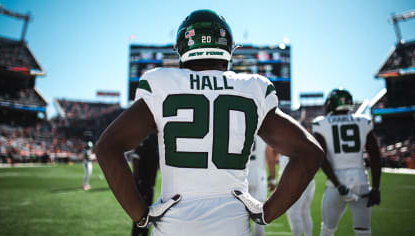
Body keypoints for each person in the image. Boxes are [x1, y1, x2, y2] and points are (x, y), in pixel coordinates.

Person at [95, 9, 324, 236]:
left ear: (182, 48)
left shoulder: (161, 83)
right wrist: (268, 212)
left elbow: (107, 147)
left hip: (175, 226)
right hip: (231, 226)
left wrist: (141, 215)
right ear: (228, 47)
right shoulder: (252, 88)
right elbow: (310, 153)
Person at [312, 88, 381, 236]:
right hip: (360, 181)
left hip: (335, 184)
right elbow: (375, 155)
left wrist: (338, 184)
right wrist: (376, 187)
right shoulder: (363, 121)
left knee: (327, 229)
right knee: (363, 230)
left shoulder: (322, 123)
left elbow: (320, 157)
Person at [266, 146, 315, 236]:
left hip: (294, 180)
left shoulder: (289, 135)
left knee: (294, 214)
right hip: (308, 178)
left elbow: (272, 150)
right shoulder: (304, 136)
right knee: (305, 213)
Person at [127, 133, 159, 236]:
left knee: (143, 214)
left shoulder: (148, 142)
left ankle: (140, 233)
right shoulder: (150, 143)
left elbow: (137, 160)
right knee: (143, 215)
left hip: (146, 183)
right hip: (146, 184)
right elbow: (136, 158)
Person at [247, 136, 268, 236]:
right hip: (258, 173)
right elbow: (270, 154)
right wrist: (272, 178)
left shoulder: (241, 129)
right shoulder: (262, 134)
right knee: (259, 213)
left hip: (242, 174)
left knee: (240, 213)